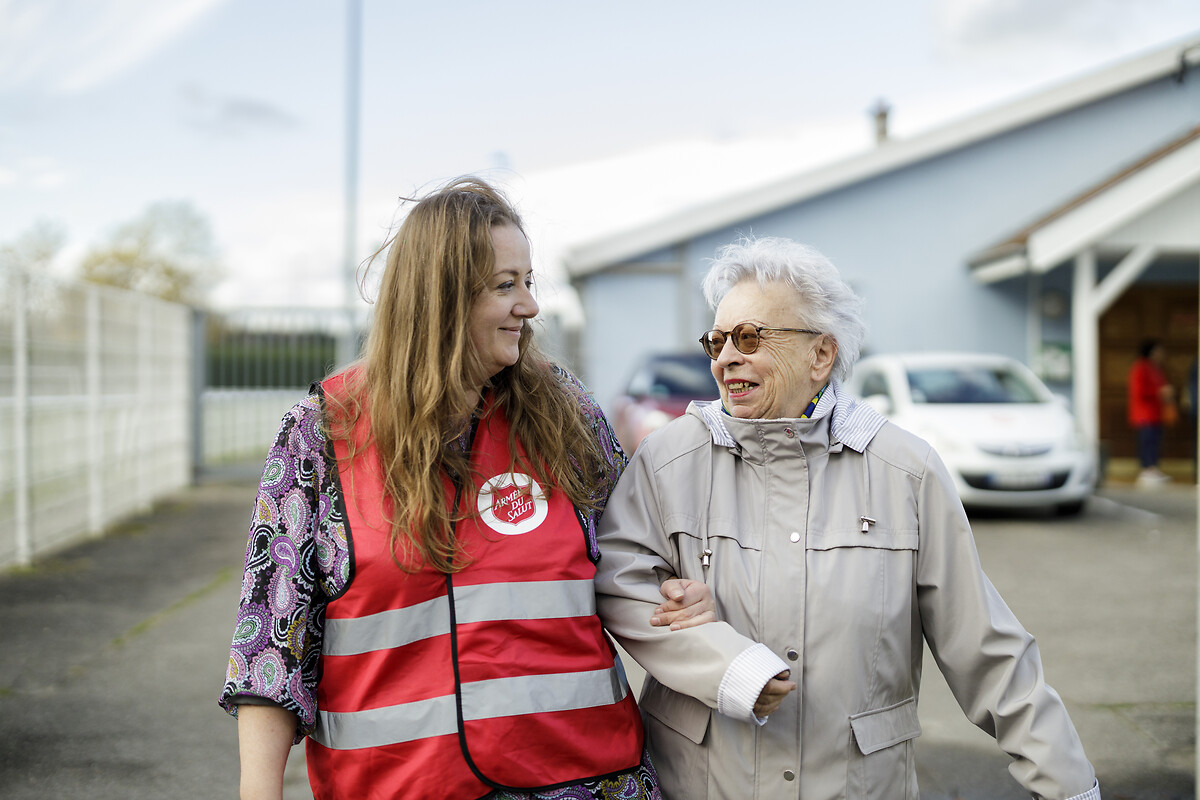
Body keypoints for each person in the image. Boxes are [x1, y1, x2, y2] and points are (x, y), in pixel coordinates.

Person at [218, 177, 715, 800]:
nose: (529, 306)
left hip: (587, 782)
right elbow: (270, 650)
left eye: (529, 282)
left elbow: (635, 559)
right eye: (506, 285)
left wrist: (677, 591)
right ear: (440, 297)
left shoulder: (567, 415)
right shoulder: (322, 433)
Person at [594, 237, 1100, 799]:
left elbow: (986, 649)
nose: (724, 358)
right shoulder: (668, 460)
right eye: (717, 341)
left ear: (821, 355)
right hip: (704, 783)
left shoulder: (905, 472)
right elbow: (618, 583)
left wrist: (1069, 785)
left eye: (748, 338)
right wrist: (724, 666)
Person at [1127, 338, 1174, 486]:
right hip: (1144, 413)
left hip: (1156, 413)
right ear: (1152, 352)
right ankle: (1146, 469)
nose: (1161, 354)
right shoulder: (1140, 367)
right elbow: (1139, 390)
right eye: (1158, 351)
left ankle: (1153, 468)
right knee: (1147, 442)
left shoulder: (1155, 368)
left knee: (1154, 442)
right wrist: (1159, 391)